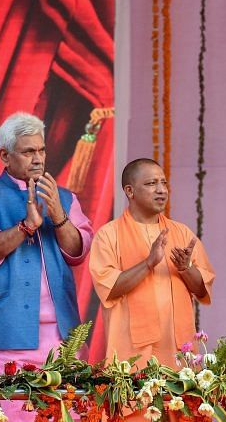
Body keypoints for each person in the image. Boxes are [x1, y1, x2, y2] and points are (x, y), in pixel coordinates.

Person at [0, 112, 93, 420]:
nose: (38, 159)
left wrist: (58, 215)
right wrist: (25, 226)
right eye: (28, 151)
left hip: (61, 340)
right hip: (3, 341)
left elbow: (79, 250)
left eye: (42, 150)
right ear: (5, 156)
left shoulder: (64, 198)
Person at [89, 158, 215, 370]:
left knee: (177, 404)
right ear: (130, 191)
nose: (161, 190)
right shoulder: (108, 235)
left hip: (178, 352)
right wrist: (148, 263)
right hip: (131, 353)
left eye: (164, 183)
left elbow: (202, 289)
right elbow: (109, 288)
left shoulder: (181, 233)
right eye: (151, 184)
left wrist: (186, 269)